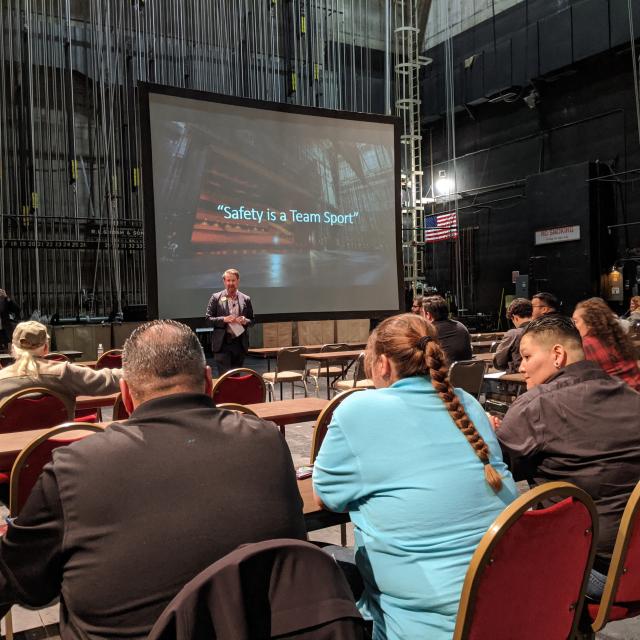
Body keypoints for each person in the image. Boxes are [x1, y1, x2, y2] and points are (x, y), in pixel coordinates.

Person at [0, 319, 306, 638]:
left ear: (126, 398)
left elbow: (26, 584)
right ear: (207, 381)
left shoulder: (72, 468)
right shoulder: (269, 441)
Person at [313, 313, 517, 640]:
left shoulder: (358, 409)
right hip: (510, 603)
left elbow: (326, 497)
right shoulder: (466, 403)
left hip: (427, 624)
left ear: (382, 364)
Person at [496, 315, 640, 597]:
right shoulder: (631, 396)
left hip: (595, 569)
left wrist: (489, 434)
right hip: (633, 560)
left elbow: (497, 472)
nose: (522, 367)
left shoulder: (536, 407)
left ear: (558, 355)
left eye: (526, 356)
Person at [0, 320, 121, 414]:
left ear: (12, 349)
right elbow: (107, 380)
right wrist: (135, 370)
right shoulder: (64, 372)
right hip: (60, 443)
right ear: (46, 348)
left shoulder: (2, 380)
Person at [572, 297, 640, 392]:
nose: (574, 326)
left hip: (618, 398)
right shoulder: (616, 336)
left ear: (590, 323)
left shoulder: (588, 343)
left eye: (576, 321)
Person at [205, 268, 254, 375]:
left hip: (239, 343)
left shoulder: (246, 299)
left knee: (236, 376)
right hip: (222, 344)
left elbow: (252, 320)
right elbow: (208, 319)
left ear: (238, 281)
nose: (231, 283)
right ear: (224, 282)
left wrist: (245, 321)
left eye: (233, 280)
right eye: (228, 280)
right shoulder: (216, 298)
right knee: (225, 377)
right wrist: (224, 319)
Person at [421, 295, 472, 364]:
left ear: (428, 315)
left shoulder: (429, 330)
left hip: (443, 373)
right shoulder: (461, 326)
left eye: (422, 313)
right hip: (468, 372)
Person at [493, 298, 532, 373]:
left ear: (515, 317)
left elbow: (499, 363)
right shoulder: (545, 330)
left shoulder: (513, 334)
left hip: (518, 378)